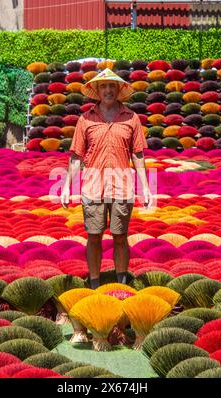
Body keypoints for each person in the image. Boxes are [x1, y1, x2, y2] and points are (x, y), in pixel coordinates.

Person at [60, 68, 154, 289]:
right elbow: (76, 156)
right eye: (104, 86)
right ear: (97, 90)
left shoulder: (131, 119)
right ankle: (94, 283)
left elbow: (138, 154)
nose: (108, 90)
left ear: (119, 90)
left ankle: (121, 283)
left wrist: (146, 188)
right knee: (94, 235)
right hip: (93, 187)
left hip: (122, 186)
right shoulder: (85, 119)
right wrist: (66, 186)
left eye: (112, 86)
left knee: (120, 236)